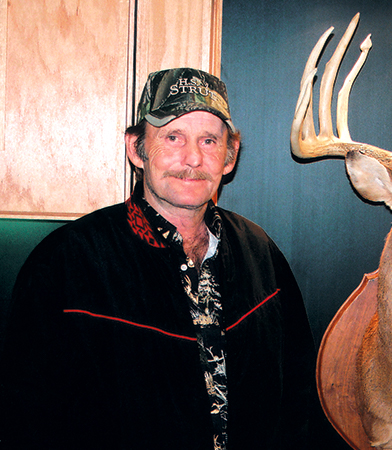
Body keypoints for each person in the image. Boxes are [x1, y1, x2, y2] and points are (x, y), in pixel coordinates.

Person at [0, 68, 317, 449]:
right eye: (172, 137)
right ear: (137, 149)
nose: (193, 158)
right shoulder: (66, 262)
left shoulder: (260, 252)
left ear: (229, 157)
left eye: (209, 141)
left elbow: (297, 393)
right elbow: (26, 415)